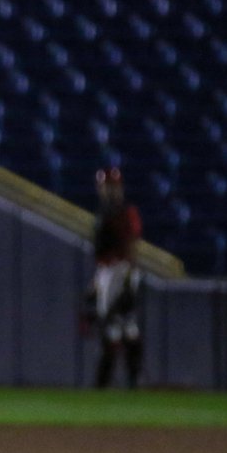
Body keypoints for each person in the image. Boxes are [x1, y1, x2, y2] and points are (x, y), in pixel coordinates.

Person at [88, 167, 144, 389]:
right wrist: (96, 281)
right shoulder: (104, 212)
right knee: (122, 325)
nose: (108, 190)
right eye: (105, 186)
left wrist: (130, 276)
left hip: (121, 270)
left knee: (118, 323)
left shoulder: (124, 212)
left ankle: (124, 379)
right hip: (107, 271)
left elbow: (132, 246)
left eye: (112, 186)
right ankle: (125, 379)